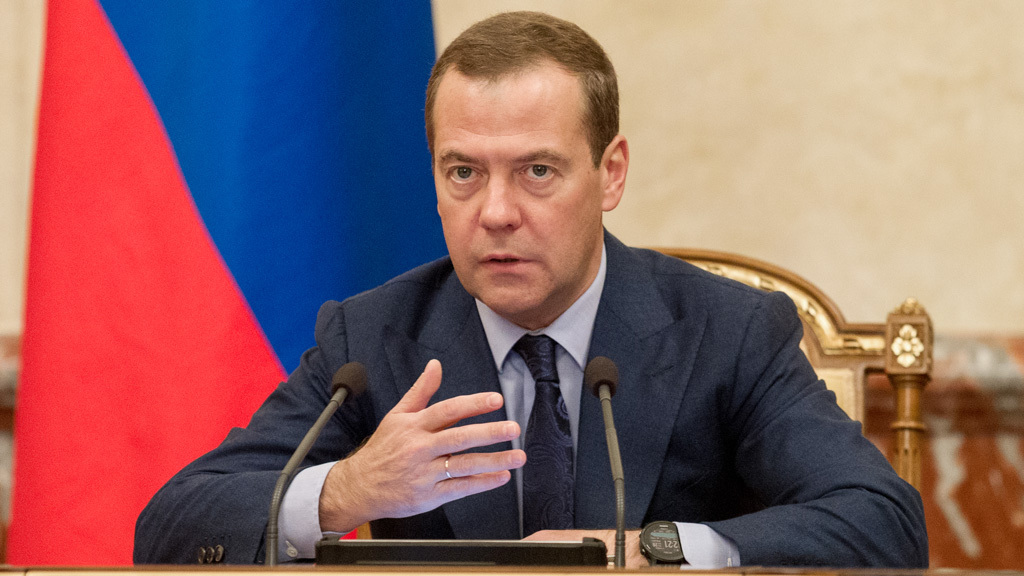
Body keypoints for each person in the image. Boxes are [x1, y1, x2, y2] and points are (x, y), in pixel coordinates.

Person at [134, 11, 927, 568]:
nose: (496, 212)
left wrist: (658, 550)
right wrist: (344, 490)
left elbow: (883, 523)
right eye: (463, 172)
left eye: (537, 171)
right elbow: (171, 525)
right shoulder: (372, 339)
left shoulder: (727, 332)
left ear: (610, 174)